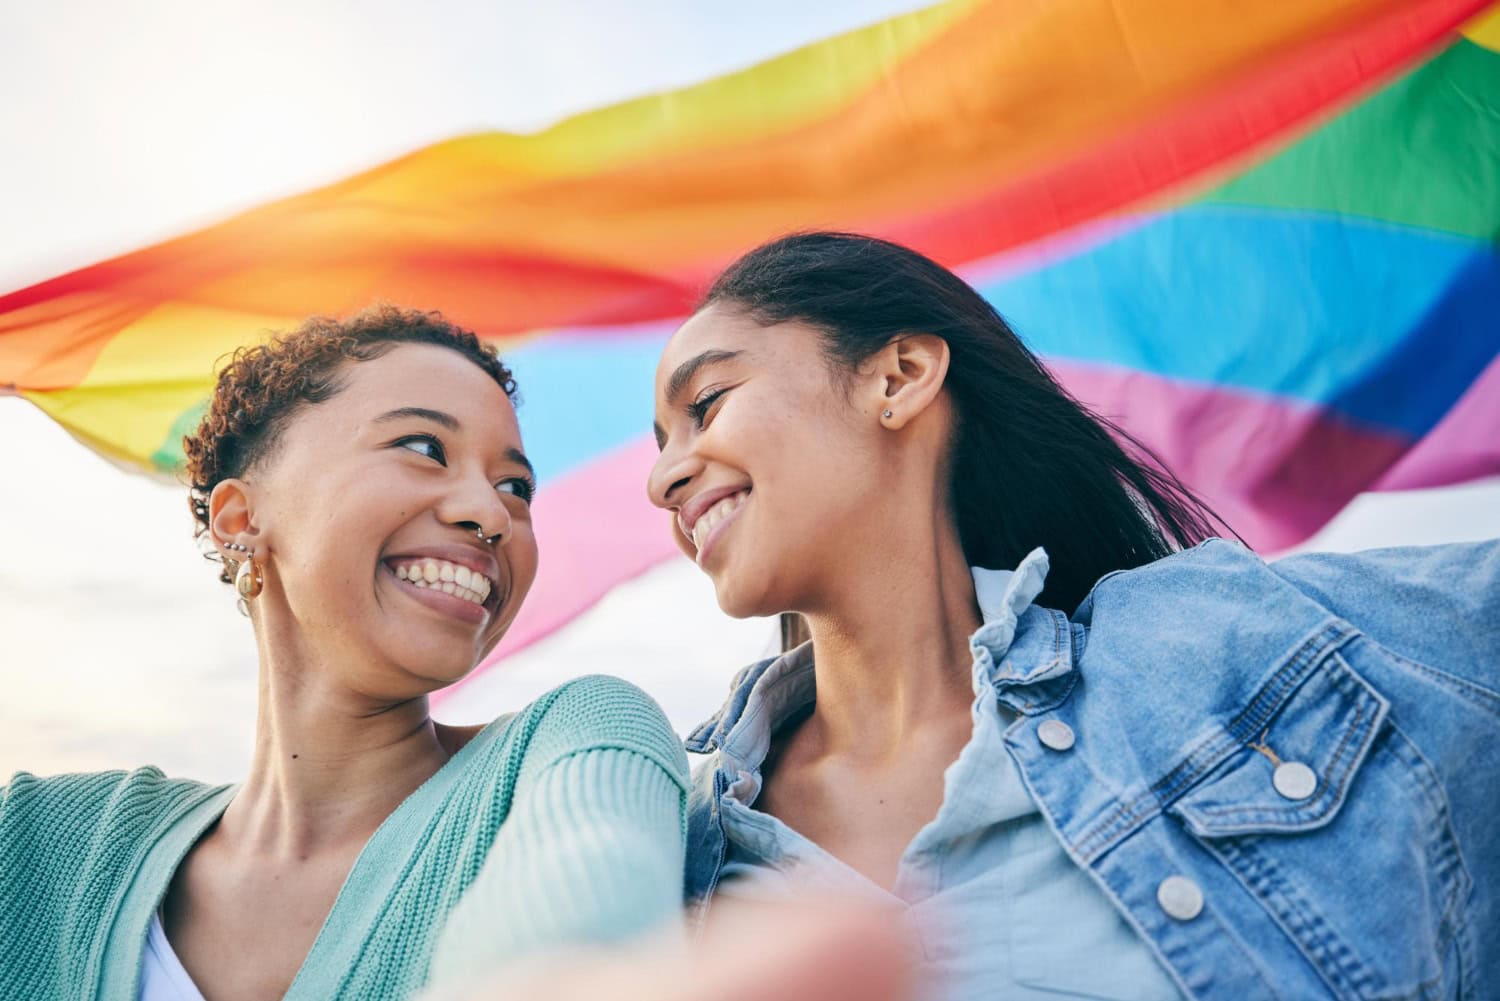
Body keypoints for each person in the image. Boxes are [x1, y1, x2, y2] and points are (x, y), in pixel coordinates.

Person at [647, 231, 1499, 999]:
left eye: (707, 403)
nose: (663, 481)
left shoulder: (1212, 643)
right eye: (660, 445)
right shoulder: (666, 839)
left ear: (899, 377)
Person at [0, 307, 689, 1001]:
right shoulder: (37, 842)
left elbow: (583, 940)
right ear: (241, 520)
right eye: (422, 448)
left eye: (517, 488)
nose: (491, 514)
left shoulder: (571, 744)